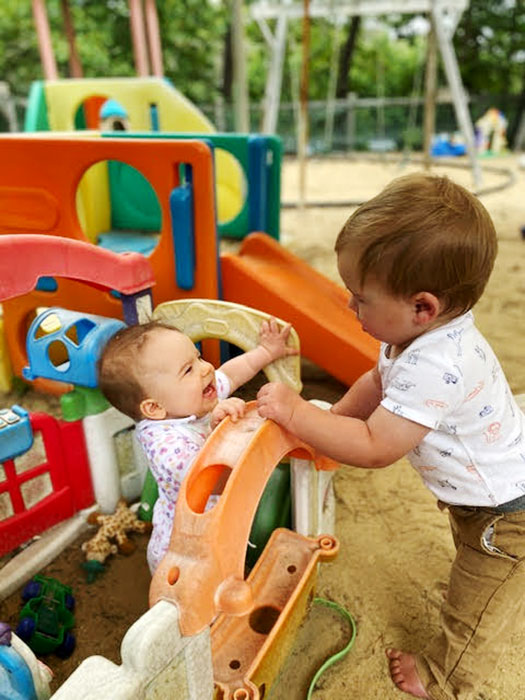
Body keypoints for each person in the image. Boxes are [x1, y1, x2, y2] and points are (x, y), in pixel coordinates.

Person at [256, 173, 525, 700]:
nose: (351, 308)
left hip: (505, 517)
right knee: (482, 570)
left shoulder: (437, 361)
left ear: (423, 306)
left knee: (476, 611)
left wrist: (296, 413)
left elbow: (378, 447)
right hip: (485, 497)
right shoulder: (414, 336)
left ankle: (444, 680)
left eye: (360, 298)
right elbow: (378, 382)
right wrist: (331, 417)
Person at [98, 317, 297, 574]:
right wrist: (222, 430)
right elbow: (216, 481)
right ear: (155, 407)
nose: (205, 369)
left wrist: (266, 352)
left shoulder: (190, 398)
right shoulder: (167, 448)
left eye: (199, 357)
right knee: (192, 605)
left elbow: (233, 373)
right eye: (187, 370)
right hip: (184, 553)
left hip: (217, 532)